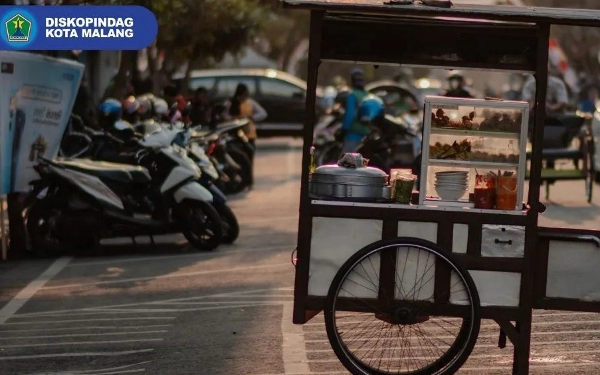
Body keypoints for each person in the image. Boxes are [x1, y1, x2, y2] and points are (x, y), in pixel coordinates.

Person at [228, 83, 267, 189]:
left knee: (249, 158)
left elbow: (263, 113)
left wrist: (252, 117)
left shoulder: (250, 103)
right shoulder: (232, 103)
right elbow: (227, 116)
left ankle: (249, 181)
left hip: (249, 134)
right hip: (236, 135)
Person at [340, 69, 370, 154]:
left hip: (352, 135)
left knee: (346, 161)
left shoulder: (352, 95)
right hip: (366, 135)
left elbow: (350, 115)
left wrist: (344, 130)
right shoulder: (367, 95)